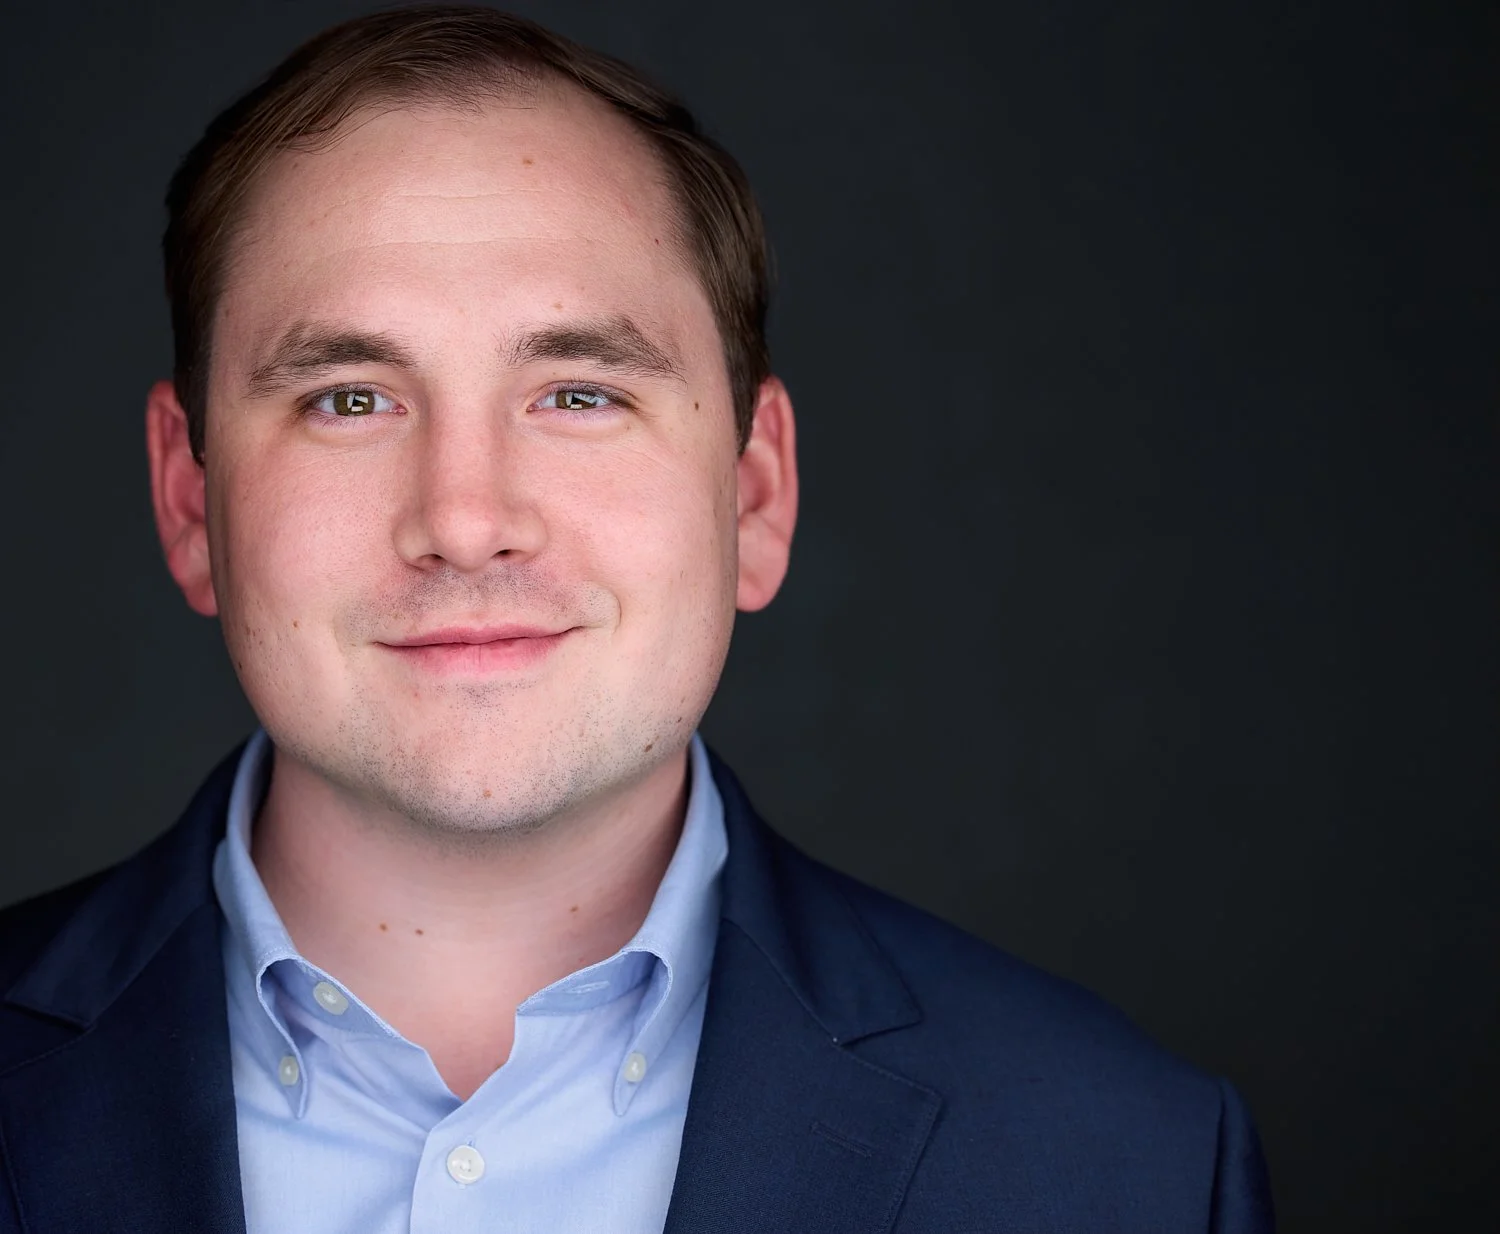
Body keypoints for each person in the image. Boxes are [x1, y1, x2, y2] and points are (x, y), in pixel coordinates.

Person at [0, 6, 1273, 1232]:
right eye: (348, 399)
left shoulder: (1132, 1169)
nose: (465, 516)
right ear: (189, 496)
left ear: (755, 494)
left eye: (578, 393)